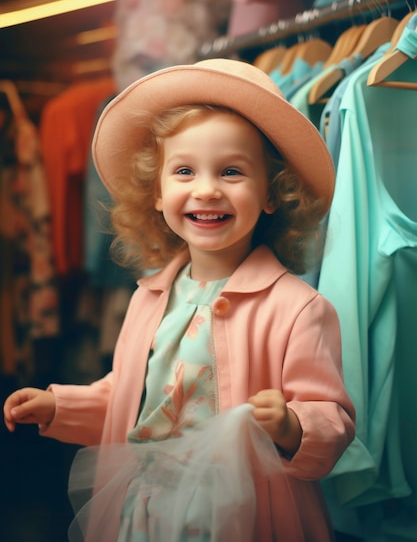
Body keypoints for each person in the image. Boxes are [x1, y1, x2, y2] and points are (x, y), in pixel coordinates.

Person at [3, 58, 355, 541]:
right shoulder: (149, 297)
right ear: (157, 191)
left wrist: (294, 425)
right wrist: (57, 406)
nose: (206, 190)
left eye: (231, 171)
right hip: (146, 511)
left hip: (241, 513)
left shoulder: (297, 308)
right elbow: (131, 399)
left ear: (272, 193)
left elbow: (333, 418)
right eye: (184, 171)